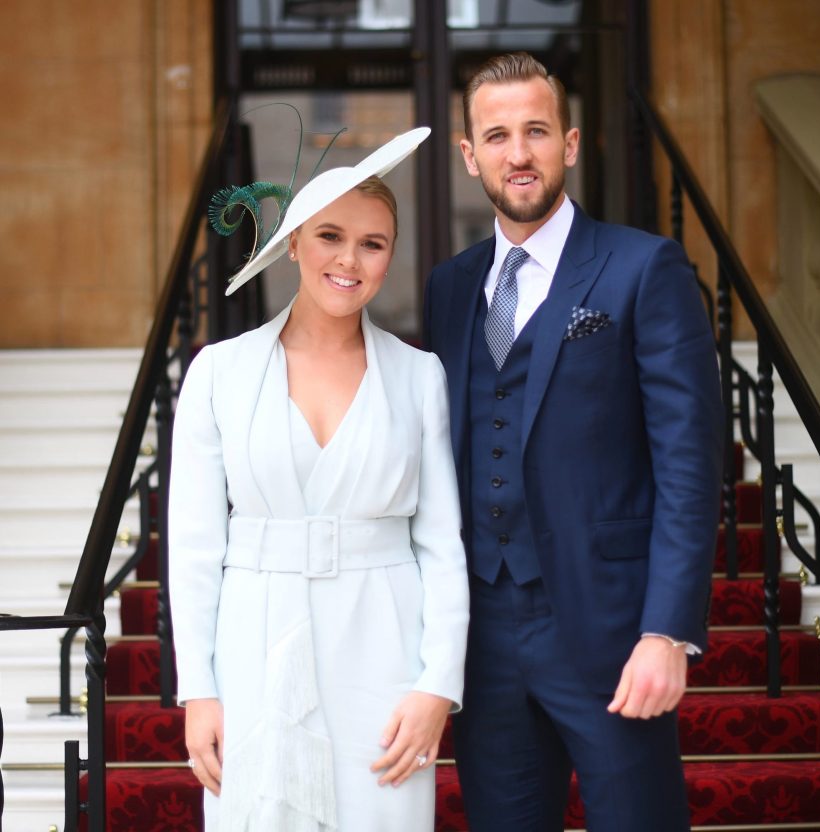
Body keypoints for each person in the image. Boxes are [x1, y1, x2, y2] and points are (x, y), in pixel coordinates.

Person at [422, 53, 725, 831]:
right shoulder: (449, 288)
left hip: (610, 626)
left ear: (571, 143)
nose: (517, 153)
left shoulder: (642, 267)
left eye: (535, 131)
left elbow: (691, 466)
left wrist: (668, 631)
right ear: (469, 154)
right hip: (484, 635)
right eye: (496, 135)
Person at [168, 127, 469, 831]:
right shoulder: (219, 372)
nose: (350, 259)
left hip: (384, 650)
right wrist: (198, 692)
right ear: (295, 241)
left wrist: (437, 684)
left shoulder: (418, 376)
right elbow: (192, 550)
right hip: (253, 643)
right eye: (331, 235)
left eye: (373, 243)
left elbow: (442, 547)